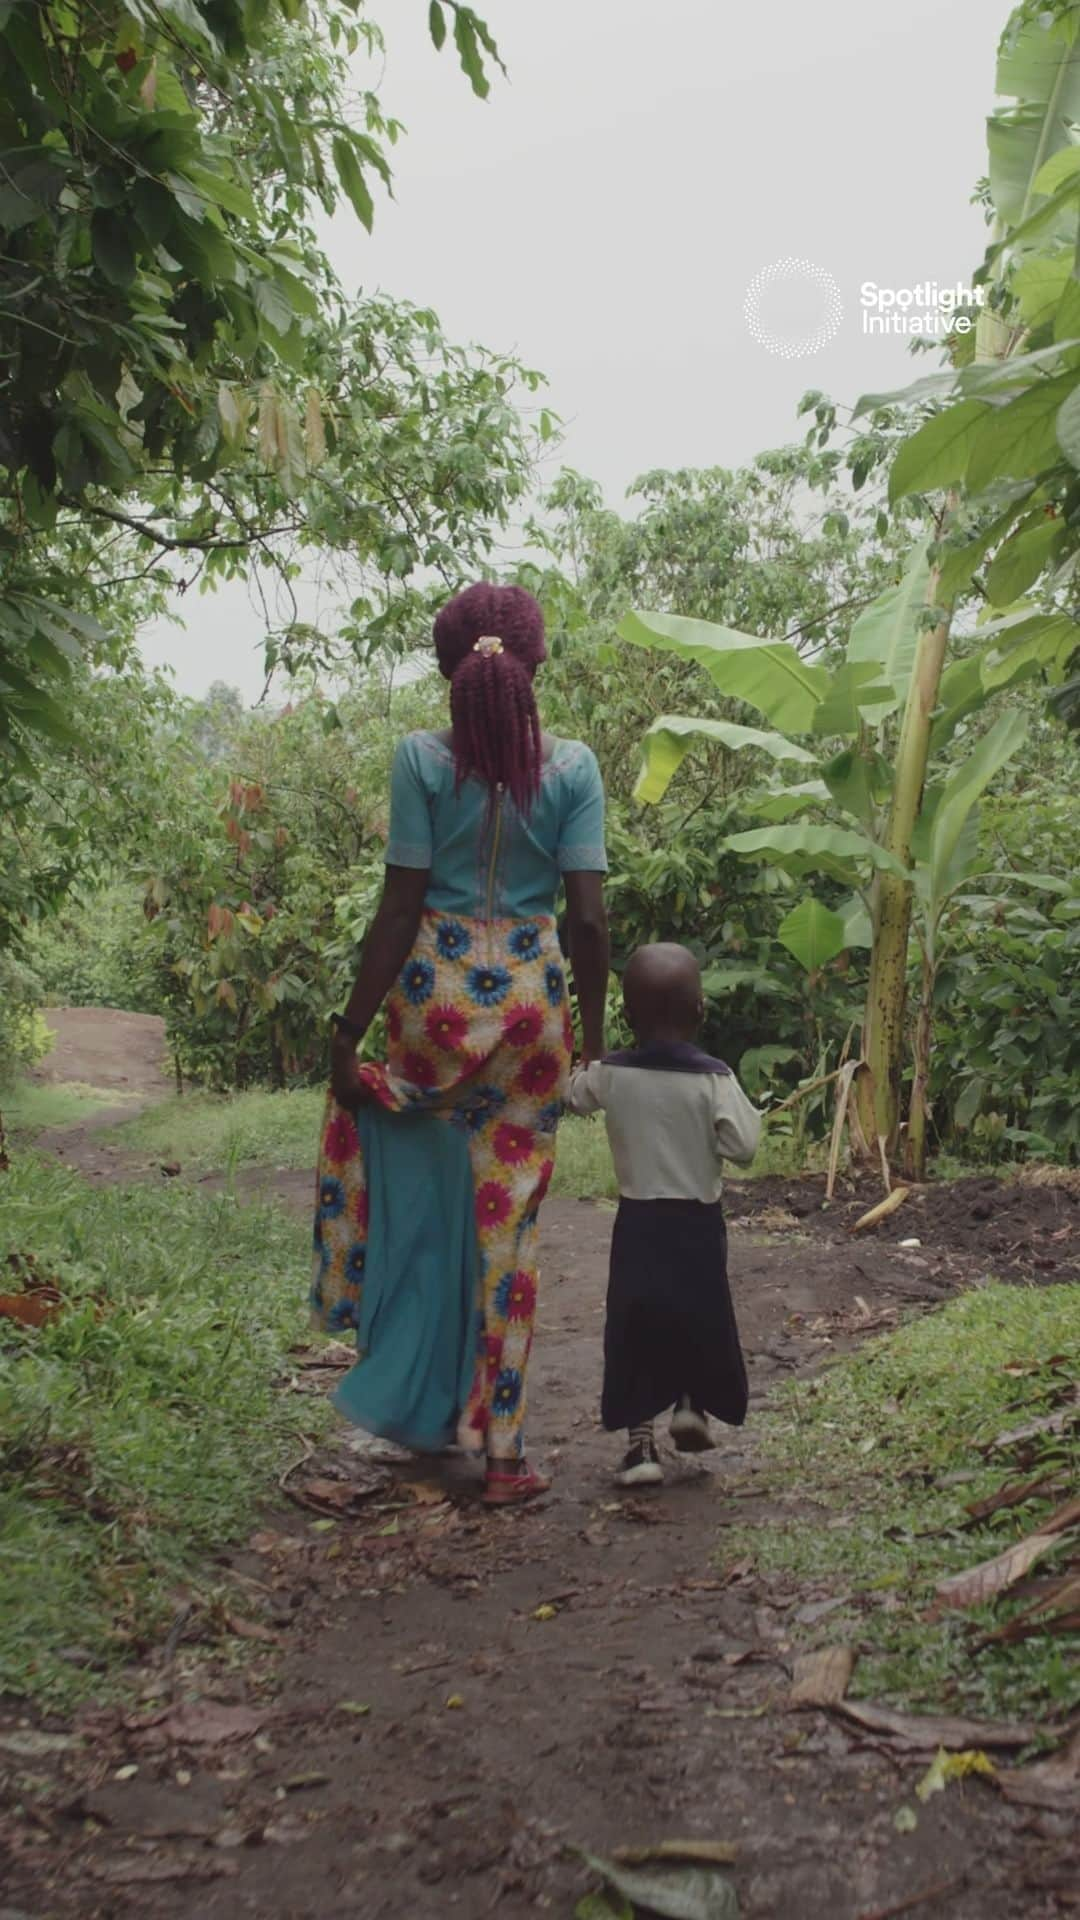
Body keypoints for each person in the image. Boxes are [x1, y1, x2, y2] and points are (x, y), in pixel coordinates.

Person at [312, 583, 609, 1507]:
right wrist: (591, 1042)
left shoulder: (419, 761)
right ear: (539, 665)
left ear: (448, 671)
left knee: (417, 1186)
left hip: (432, 1003)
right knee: (506, 1226)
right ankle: (507, 1453)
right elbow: (590, 919)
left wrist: (346, 1034)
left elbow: (399, 904)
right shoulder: (573, 770)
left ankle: (416, 1394)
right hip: (533, 1009)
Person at [566, 942, 761, 1487]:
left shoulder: (612, 1075)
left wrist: (586, 1055)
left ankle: (640, 1450)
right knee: (700, 1320)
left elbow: (572, 1095)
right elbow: (743, 1146)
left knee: (634, 1328)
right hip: (697, 1225)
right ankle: (691, 1406)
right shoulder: (714, 1078)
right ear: (700, 1010)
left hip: (638, 1225)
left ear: (627, 1017)